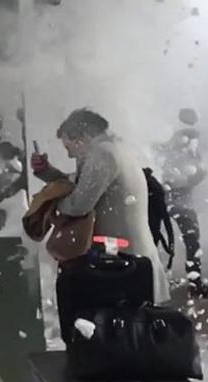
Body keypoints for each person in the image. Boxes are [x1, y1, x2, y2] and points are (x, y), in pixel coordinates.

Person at [31, 108, 170, 303]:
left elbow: (79, 204)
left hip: (124, 265)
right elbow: (78, 185)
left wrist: (51, 205)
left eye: (69, 147)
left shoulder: (102, 154)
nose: (70, 155)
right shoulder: (112, 150)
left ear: (82, 137)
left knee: (120, 329)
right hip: (126, 261)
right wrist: (47, 172)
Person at [157, 123, 208, 298]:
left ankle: (193, 281)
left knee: (190, 240)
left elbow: (197, 175)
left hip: (176, 199)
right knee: (188, 240)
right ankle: (191, 281)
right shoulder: (172, 152)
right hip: (169, 198)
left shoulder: (190, 154)